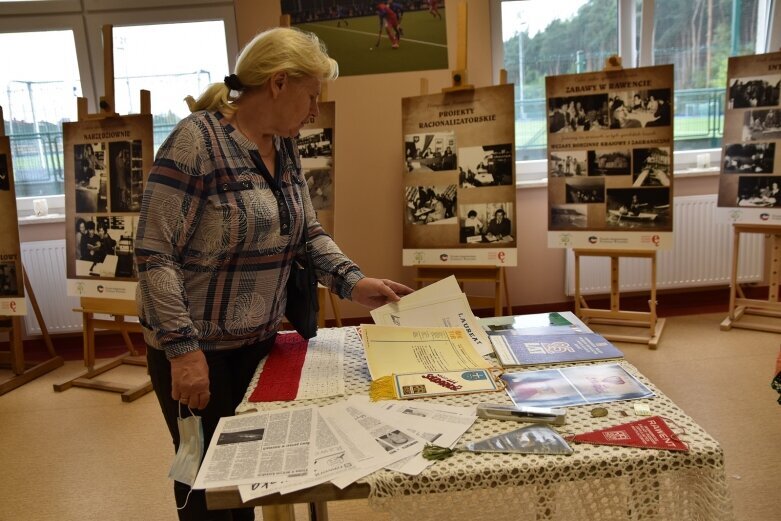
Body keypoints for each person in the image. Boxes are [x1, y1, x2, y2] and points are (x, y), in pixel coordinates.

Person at [134, 27, 414, 521]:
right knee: (211, 495)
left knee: (260, 479)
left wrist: (354, 282)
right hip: (200, 356)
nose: (314, 111)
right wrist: (183, 351)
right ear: (279, 83)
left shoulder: (283, 148)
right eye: (312, 97)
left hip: (261, 346)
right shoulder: (195, 141)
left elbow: (307, 232)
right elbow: (154, 254)